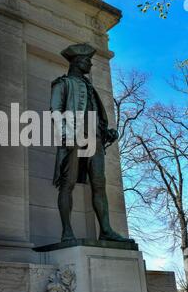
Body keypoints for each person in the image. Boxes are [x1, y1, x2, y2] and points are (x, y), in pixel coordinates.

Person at [50, 43, 133, 243]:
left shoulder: (90, 87)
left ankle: (105, 230)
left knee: (99, 183)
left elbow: (95, 115)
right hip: (73, 137)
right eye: (88, 61)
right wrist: (64, 134)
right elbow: (55, 111)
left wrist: (106, 132)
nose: (90, 65)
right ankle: (67, 232)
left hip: (94, 139)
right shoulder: (62, 84)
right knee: (67, 184)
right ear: (78, 62)